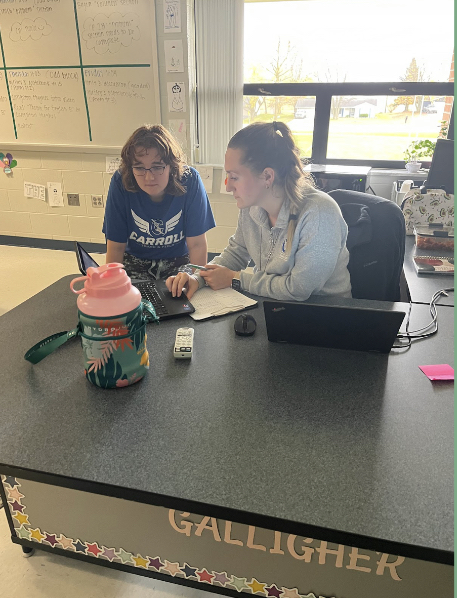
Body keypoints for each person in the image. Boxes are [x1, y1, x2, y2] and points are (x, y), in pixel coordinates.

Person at [167, 121, 351, 300]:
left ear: (267, 176)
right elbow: (236, 253)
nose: (228, 186)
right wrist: (197, 278)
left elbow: (298, 289)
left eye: (234, 177)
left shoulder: (319, 213)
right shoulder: (252, 207)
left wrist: (235, 279)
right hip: (273, 304)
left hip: (323, 314)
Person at [103, 124, 215, 280]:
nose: (149, 177)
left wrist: (197, 282)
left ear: (172, 166)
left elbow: (197, 244)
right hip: (135, 260)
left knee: (183, 298)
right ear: (130, 168)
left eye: (157, 167)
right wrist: (112, 284)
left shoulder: (190, 179)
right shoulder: (120, 180)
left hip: (178, 260)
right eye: (140, 168)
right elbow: (116, 246)